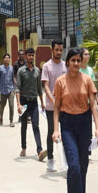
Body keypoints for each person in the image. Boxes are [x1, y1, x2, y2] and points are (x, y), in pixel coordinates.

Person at [52, 48, 98, 193]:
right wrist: (56, 130)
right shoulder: (60, 81)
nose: (75, 63)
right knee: (73, 166)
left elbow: (92, 104)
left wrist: (97, 127)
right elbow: (56, 107)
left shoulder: (86, 80)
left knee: (83, 164)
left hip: (84, 123)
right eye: (73, 60)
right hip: (67, 125)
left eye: (78, 60)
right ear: (67, 62)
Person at [16, 48, 47, 161]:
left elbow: (39, 88)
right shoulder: (21, 71)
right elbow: (17, 88)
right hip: (24, 102)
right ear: (25, 56)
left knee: (35, 125)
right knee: (24, 125)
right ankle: (23, 147)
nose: (31, 57)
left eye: (32, 55)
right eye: (29, 55)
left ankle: (39, 151)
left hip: (34, 102)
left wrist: (42, 102)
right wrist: (18, 104)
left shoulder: (38, 71)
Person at [41, 40, 67, 172]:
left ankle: (67, 160)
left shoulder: (65, 66)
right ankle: (50, 159)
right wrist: (53, 101)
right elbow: (45, 86)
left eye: (61, 50)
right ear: (52, 50)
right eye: (57, 50)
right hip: (51, 108)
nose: (59, 52)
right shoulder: (47, 66)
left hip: (65, 107)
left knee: (66, 132)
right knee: (52, 131)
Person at [0, 54, 15, 127]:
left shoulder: (11, 68)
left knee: (11, 105)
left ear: (9, 59)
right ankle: (1, 119)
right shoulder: (0, 68)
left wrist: (15, 88)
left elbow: (13, 79)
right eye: (5, 58)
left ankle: (11, 121)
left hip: (10, 90)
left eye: (8, 58)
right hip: (3, 90)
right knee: (2, 106)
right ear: (3, 59)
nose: (7, 59)